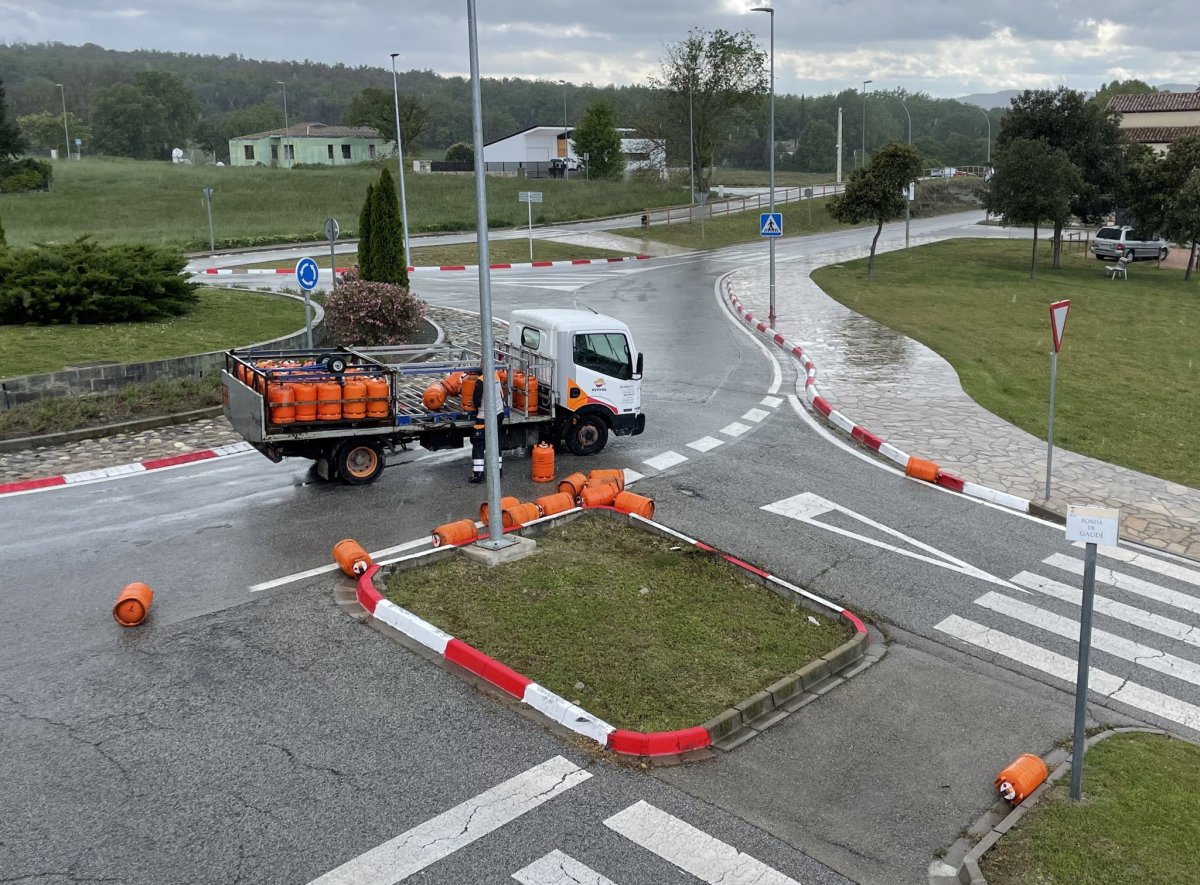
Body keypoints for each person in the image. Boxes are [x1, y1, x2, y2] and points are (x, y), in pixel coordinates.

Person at [468, 367, 506, 484]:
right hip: (499, 414)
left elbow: (476, 402)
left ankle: (478, 474)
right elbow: (501, 395)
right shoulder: (496, 376)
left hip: (485, 417)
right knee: (496, 443)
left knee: (478, 443)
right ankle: (498, 471)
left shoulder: (480, 381)